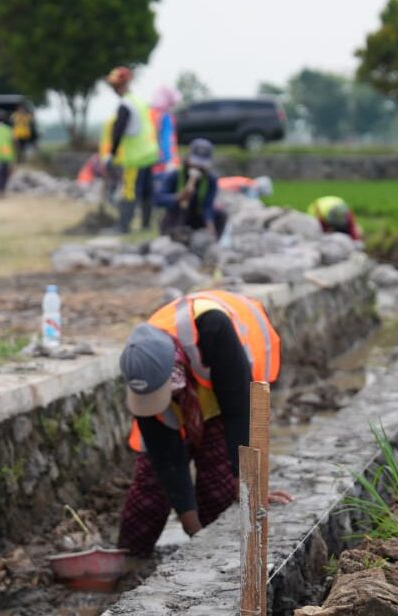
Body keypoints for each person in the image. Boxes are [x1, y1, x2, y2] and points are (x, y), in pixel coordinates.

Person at [117, 290, 293, 556]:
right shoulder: (142, 366)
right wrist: (191, 526)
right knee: (150, 489)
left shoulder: (213, 327)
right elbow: (166, 458)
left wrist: (247, 483)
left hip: (226, 395)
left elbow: (239, 408)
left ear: (175, 374)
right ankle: (129, 562)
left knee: (219, 488)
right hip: (188, 393)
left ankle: (222, 553)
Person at [105, 66, 159, 233]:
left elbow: (118, 131)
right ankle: (145, 225)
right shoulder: (139, 101)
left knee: (129, 190)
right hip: (149, 153)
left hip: (135, 157)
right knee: (147, 191)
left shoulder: (125, 105)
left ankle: (123, 226)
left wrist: (111, 154)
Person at [155, 139, 226, 239]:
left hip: (197, 217)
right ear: (188, 158)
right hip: (177, 216)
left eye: (202, 164)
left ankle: (213, 242)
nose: (197, 166)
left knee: (220, 214)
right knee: (182, 208)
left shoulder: (211, 180)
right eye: (195, 162)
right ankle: (174, 237)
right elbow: (158, 199)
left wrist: (209, 222)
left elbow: (208, 205)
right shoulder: (175, 175)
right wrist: (179, 197)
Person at [150, 86, 181, 175]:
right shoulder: (166, 116)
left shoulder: (151, 114)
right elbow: (166, 139)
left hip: (153, 159)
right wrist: (168, 159)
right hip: (166, 160)